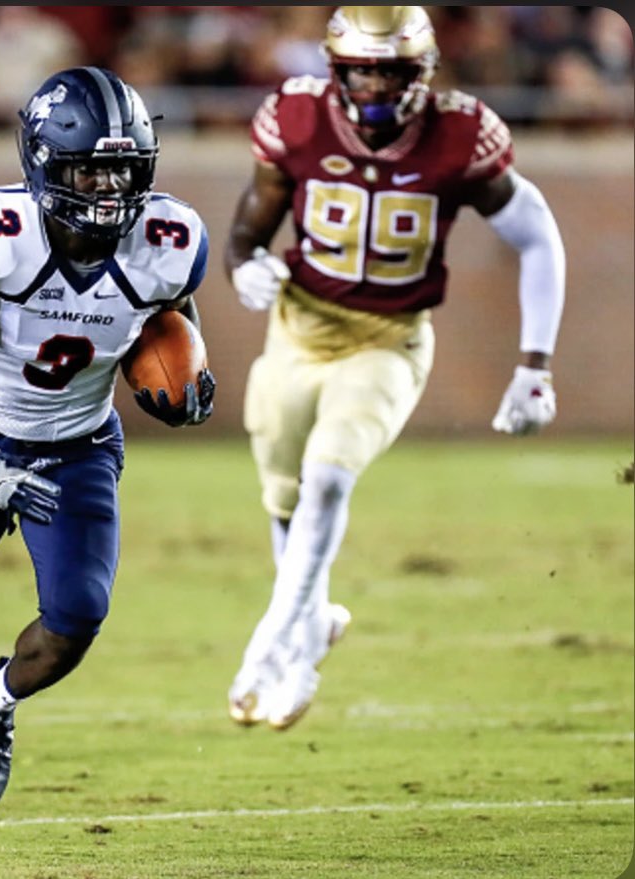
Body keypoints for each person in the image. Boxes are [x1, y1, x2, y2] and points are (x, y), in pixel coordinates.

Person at [0, 66, 216, 852]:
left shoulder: (169, 242)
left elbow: (177, 331)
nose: (105, 188)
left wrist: (191, 382)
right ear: (42, 163)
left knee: (78, 616)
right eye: (88, 168)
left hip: (78, 444)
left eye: (121, 170)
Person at [222, 6, 565, 731]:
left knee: (329, 477)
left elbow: (537, 236)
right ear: (336, 70)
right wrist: (243, 268)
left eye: (392, 70)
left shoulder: (460, 133)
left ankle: (276, 641)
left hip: (389, 336)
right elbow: (249, 228)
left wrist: (535, 364)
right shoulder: (297, 117)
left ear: (424, 73)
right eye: (362, 69)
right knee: (284, 497)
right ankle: (311, 625)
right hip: (297, 326)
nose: (376, 85)